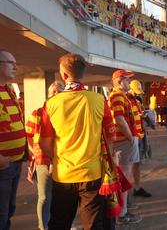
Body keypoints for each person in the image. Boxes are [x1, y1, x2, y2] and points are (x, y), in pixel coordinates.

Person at [39, 53, 113, 229]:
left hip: (63, 174)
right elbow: (110, 138)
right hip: (92, 174)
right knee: (93, 224)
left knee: (59, 223)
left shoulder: (51, 104)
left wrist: (57, 158)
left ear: (64, 76)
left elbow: (45, 143)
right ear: (83, 74)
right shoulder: (100, 100)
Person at [25, 81, 64, 230]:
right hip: (44, 160)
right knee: (45, 197)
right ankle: (43, 227)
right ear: (49, 95)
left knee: (63, 197)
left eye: (60, 91)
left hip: (64, 160)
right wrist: (36, 154)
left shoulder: (66, 113)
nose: (56, 94)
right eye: (54, 92)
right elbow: (29, 135)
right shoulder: (38, 113)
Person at [108, 70, 141, 224]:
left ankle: (124, 210)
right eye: (127, 80)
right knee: (125, 177)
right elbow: (119, 119)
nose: (129, 83)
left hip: (125, 140)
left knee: (125, 177)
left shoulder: (120, 96)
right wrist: (130, 138)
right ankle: (122, 214)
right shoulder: (117, 96)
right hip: (124, 141)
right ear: (120, 82)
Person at [0, 50, 27, 230]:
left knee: (9, 210)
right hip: (3, 165)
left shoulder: (8, 91)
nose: (16, 67)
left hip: (16, 162)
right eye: (10, 62)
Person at [127, 80, 151, 198]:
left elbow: (139, 115)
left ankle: (137, 187)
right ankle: (130, 190)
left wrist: (143, 116)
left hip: (140, 135)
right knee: (130, 164)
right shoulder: (126, 101)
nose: (137, 94)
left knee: (137, 163)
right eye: (135, 91)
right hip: (133, 136)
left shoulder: (136, 101)